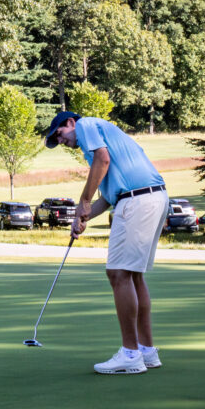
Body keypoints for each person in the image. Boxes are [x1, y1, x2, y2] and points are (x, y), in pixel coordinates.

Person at [44, 110, 169, 374]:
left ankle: (130, 354)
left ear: (70, 123)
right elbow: (109, 198)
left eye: (60, 134)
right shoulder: (97, 141)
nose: (62, 141)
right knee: (133, 276)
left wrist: (84, 201)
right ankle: (146, 351)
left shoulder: (87, 125)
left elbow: (103, 159)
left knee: (117, 273)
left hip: (137, 201)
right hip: (151, 197)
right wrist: (83, 216)